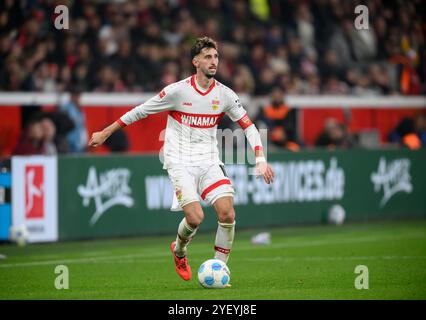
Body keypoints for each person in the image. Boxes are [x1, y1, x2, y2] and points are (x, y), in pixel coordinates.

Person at [88, 37, 275, 283]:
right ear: (195, 61)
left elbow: (249, 127)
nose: (213, 61)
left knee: (227, 214)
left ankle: (219, 270)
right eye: (207, 57)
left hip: (209, 160)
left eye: (216, 57)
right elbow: (140, 111)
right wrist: (105, 132)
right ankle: (179, 250)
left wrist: (260, 159)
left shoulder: (225, 94)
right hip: (179, 161)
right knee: (195, 217)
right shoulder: (178, 91)